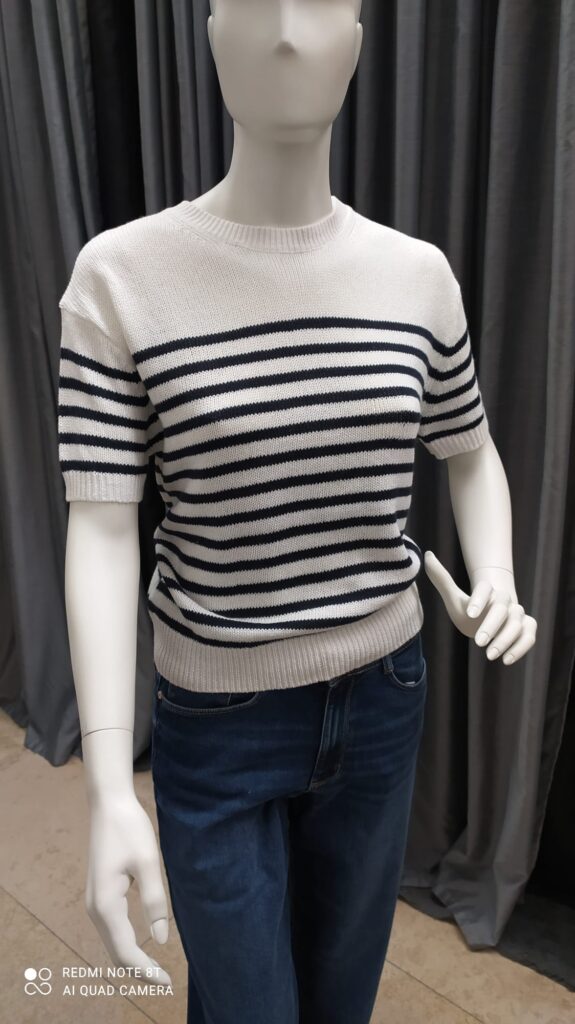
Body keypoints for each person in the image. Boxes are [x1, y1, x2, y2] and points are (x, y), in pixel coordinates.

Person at [57, 1, 536, 1021]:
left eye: (317, 4)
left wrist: (493, 572)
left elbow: (470, 452)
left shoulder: (415, 277)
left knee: (338, 995)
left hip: (383, 693)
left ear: (356, 41)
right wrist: (105, 780)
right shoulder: (119, 278)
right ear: (209, 32)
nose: (283, 33)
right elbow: (98, 525)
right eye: (251, 2)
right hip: (216, 714)